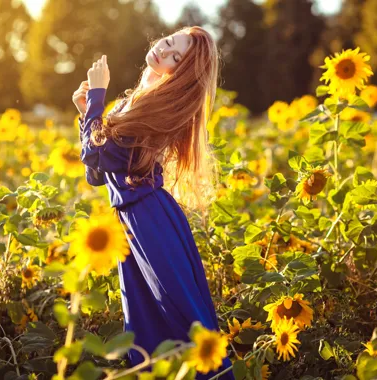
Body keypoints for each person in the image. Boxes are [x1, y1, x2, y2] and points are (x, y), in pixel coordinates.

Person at [71, 26, 235, 379]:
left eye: (177, 58)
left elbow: (97, 154)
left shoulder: (160, 107)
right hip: (128, 223)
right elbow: (96, 173)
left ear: (181, 74)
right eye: (169, 42)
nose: (165, 51)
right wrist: (88, 112)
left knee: (180, 315)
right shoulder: (133, 98)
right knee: (143, 323)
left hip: (150, 220)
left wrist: (97, 96)